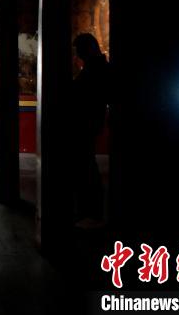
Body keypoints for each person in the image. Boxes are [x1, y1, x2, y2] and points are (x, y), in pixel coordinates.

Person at [70, 33, 109, 229]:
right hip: (90, 123)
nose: (77, 55)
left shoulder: (94, 71)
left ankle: (91, 212)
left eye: (78, 51)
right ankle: (88, 211)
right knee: (86, 166)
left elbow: (83, 94)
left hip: (86, 123)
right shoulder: (98, 68)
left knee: (85, 168)